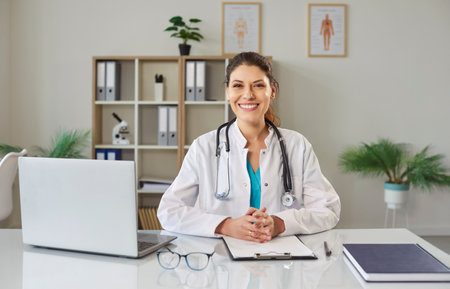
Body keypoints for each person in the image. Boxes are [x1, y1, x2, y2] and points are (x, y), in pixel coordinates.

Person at [158, 52, 340, 243]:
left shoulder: (296, 145)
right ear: (228, 91)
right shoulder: (204, 147)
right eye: (238, 85)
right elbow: (169, 212)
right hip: (220, 262)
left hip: (283, 259)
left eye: (259, 85)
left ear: (273, 90)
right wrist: (225, 225)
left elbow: (328, 209)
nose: (248, 95)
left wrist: (280, 223)